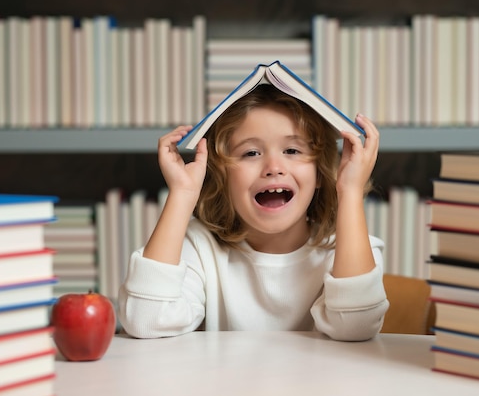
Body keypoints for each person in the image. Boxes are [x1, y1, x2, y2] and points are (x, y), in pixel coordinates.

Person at [118, 84, 388, 341]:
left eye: (292, 150)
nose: (273, 167)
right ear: (224, 175)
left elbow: (356, 327)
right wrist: (182, 195)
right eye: (251, 153)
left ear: (319, 172)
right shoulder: (199, 248)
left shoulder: (348, 251)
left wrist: (350, 192)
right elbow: (147, 320)